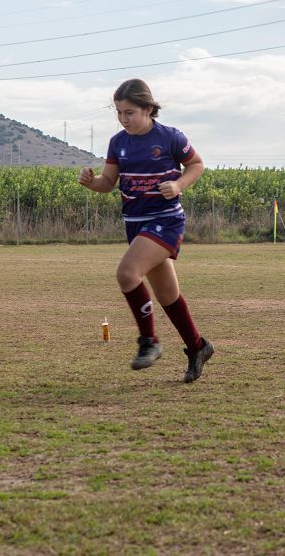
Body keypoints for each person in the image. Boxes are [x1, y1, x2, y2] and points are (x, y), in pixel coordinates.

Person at [78, 79, 214, 382]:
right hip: (135, 224)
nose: (124, 119)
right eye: (119, 113)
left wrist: (178, 184)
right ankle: (198, 346)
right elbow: (108, 183)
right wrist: (92, 182)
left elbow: (197, 164)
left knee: (127, 273)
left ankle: (148, 342)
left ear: (148, 108)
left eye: (130, 112)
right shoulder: (118, 143)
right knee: (167, 294)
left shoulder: (170, 137)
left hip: (166, 220)